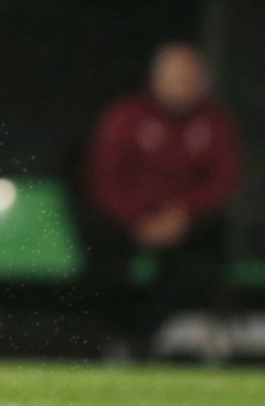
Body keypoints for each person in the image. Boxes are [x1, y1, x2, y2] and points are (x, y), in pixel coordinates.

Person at [79, 42, 244, 359]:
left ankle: (149, 345)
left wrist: (182, 214)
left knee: (194, 266)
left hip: (188, 227)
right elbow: (103, 177)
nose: (183, 85)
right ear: (157, 79)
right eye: (175, 77)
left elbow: (225, 180)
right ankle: (107, 344)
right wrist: (137, 219)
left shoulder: (215, 122)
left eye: (190, 77)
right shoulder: (127, 116)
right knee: (103, 263)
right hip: (127, 225)